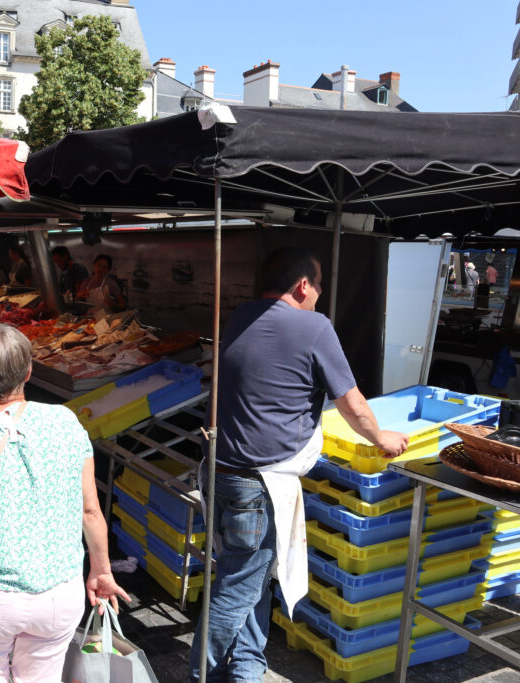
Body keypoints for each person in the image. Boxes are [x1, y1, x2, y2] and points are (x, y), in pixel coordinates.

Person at [189, 246, 408, 682]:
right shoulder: (313, 326)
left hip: (224, 471)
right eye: (319, 286)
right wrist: (382, 437)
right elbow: (352, 403)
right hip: (258, 484)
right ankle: (199, 674)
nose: (320, 296)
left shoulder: (240, 316)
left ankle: (247, 668)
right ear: (303, 285)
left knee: (250, 577)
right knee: (237, 588)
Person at [0, 323, 129, 682]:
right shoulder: (67, 422)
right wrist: (102, 570)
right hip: (57, 596)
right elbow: (90, 510)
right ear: (29, 371)